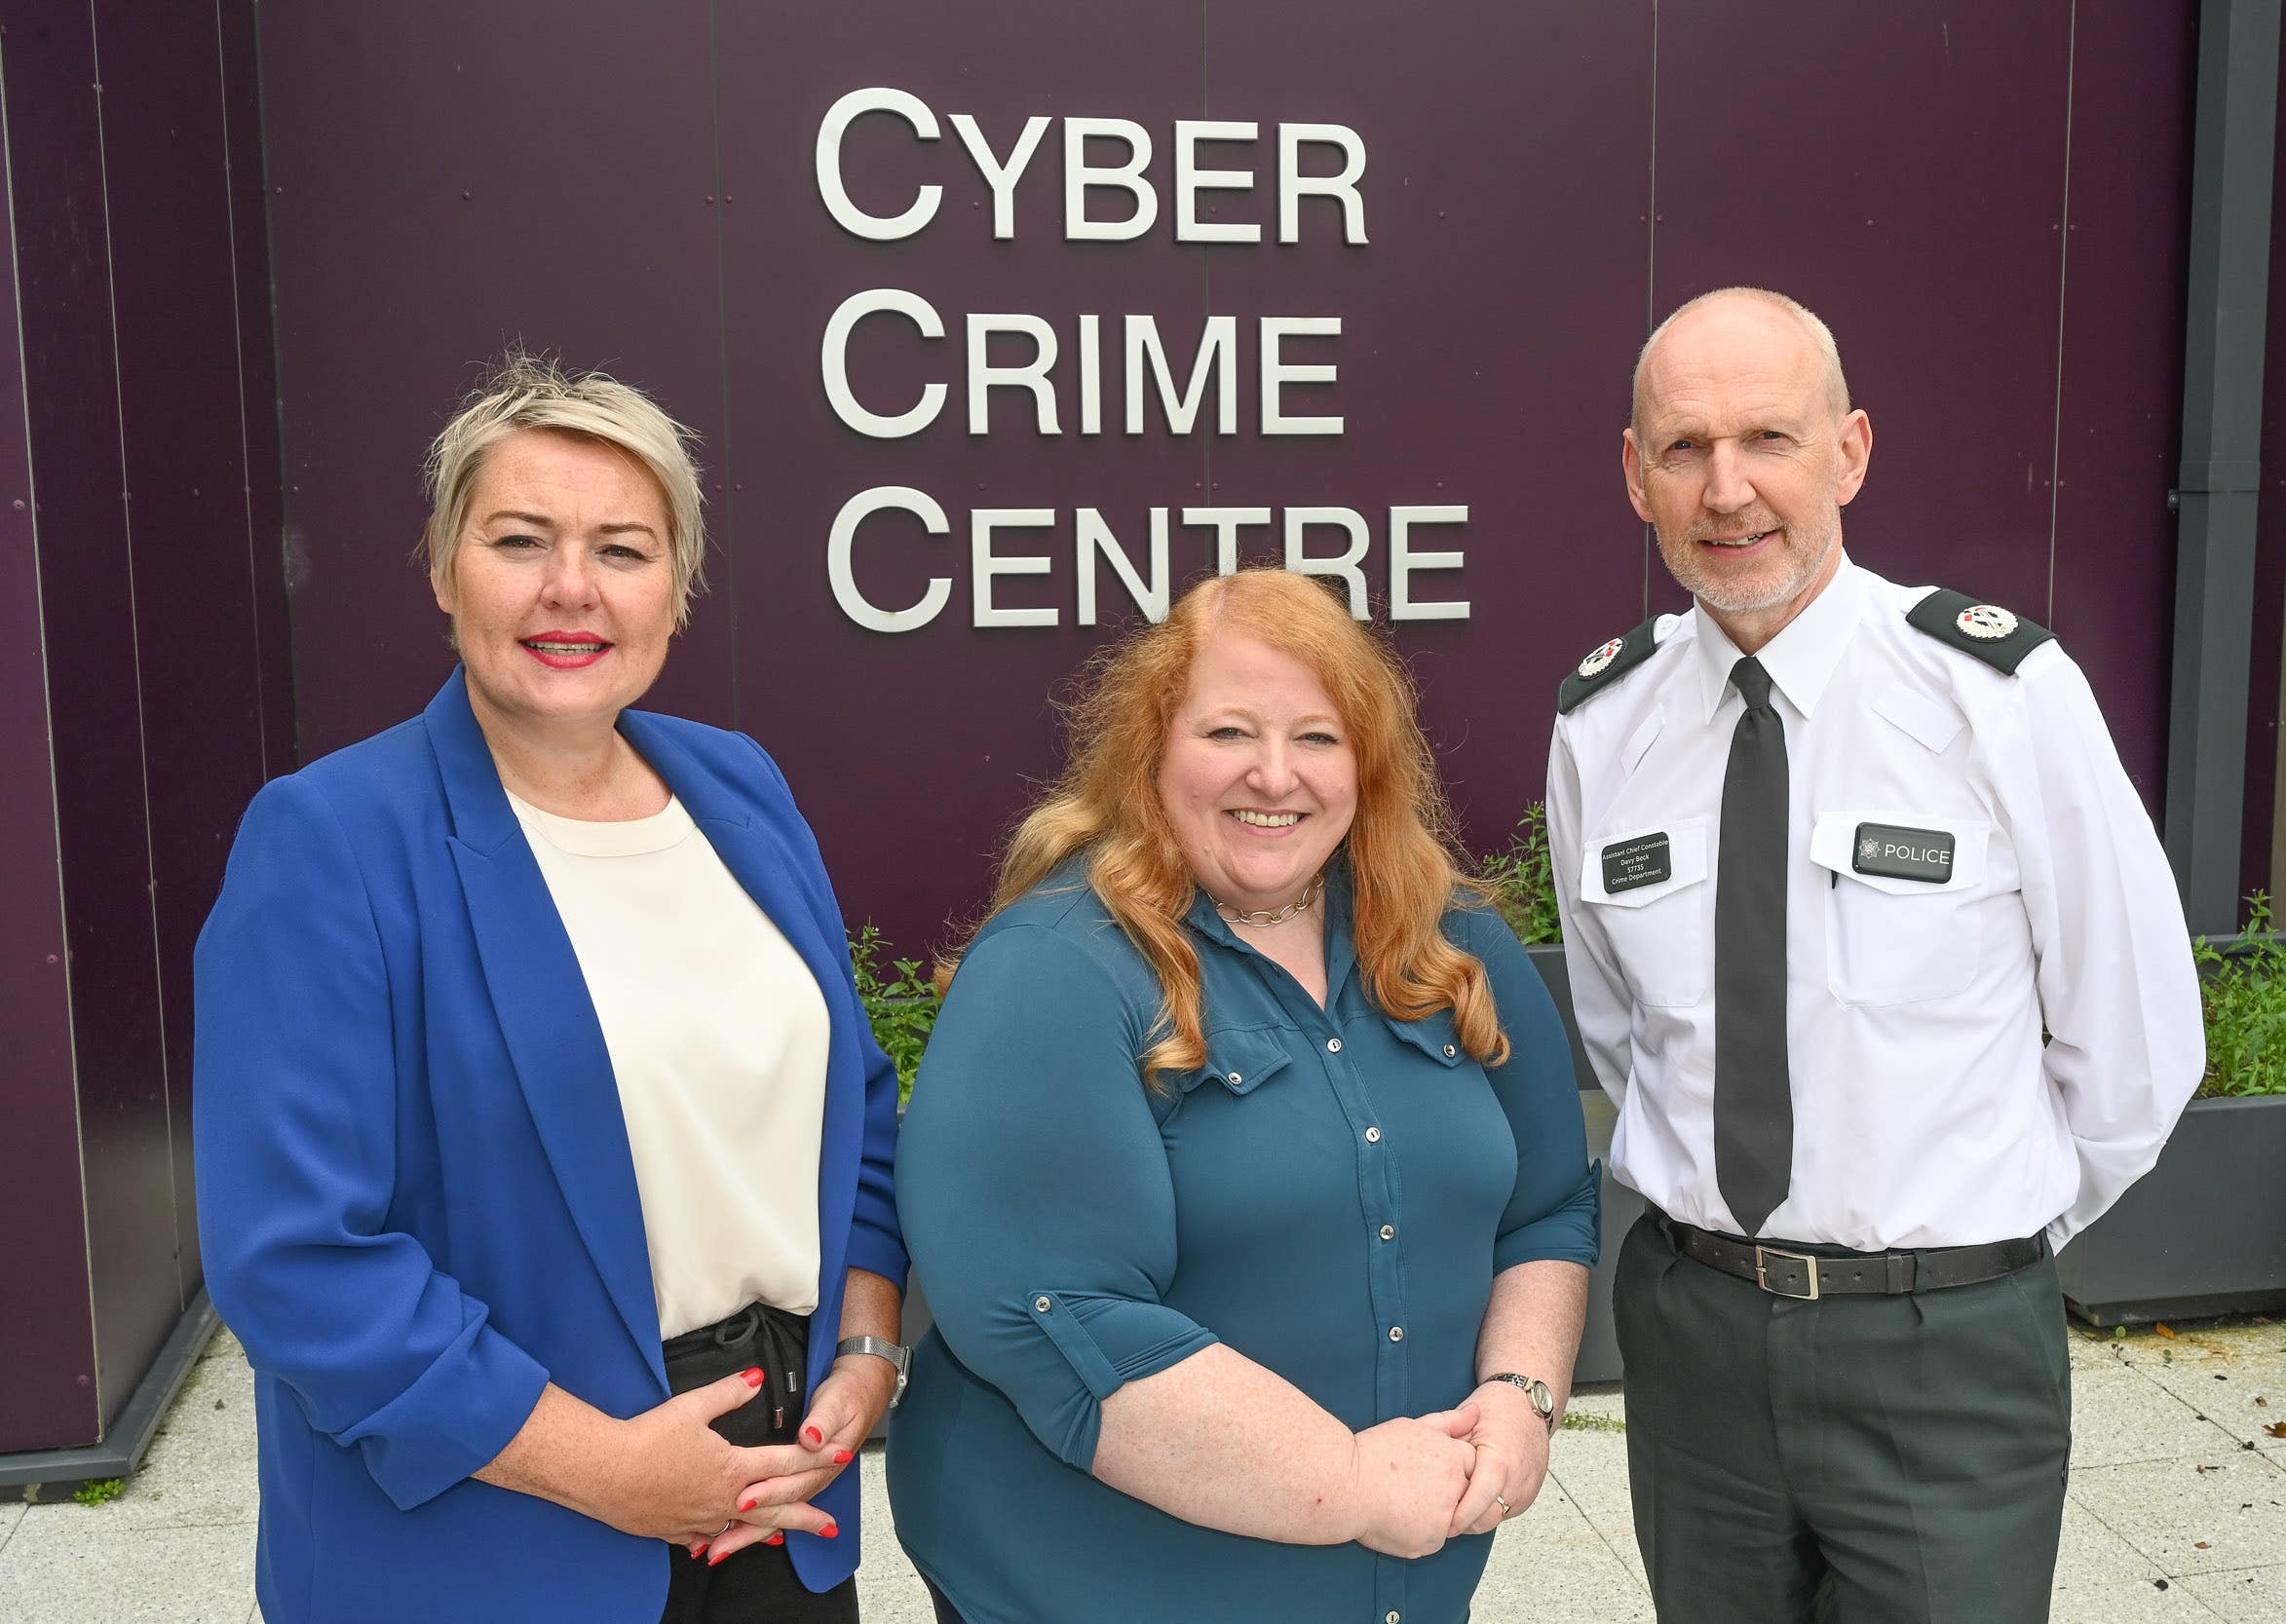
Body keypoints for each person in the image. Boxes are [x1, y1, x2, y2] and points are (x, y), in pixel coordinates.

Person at [194, 355, 910, 1623]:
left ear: (675, 589)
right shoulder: (330, 841)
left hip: (780, 1507)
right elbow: (298, 1257)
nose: (570, 586)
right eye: (520, 539)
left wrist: (864, 1344)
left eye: (623, 549)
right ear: (441, 567)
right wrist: (617, 1470)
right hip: (494, 1537)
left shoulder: (738, 786)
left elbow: (850, 1102)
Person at [1546, 286, 2207, 1622]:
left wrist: (1964, 1247)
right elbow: (1629, 1036)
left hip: (1943, 1352)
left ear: (1848, 451)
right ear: (1635, 477)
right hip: (1697, 1338)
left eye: (1769, 439)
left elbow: (2135, 1042)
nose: (1727, 488)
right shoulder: (1599, 726)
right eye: (1683, 448)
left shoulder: (1998, 695)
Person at [886, 568, 1601, 1624]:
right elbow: (1053, 1316)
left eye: (1316, 736)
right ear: (1150, 751)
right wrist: (1355, 1485)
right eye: (1227, 732)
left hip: (1405, 1577)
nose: (1275, 775)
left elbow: (1547, 1207)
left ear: (1366, 761)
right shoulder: (1055, 965)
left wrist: (1521, 1393)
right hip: (1102, 1589)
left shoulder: (1451, 942)